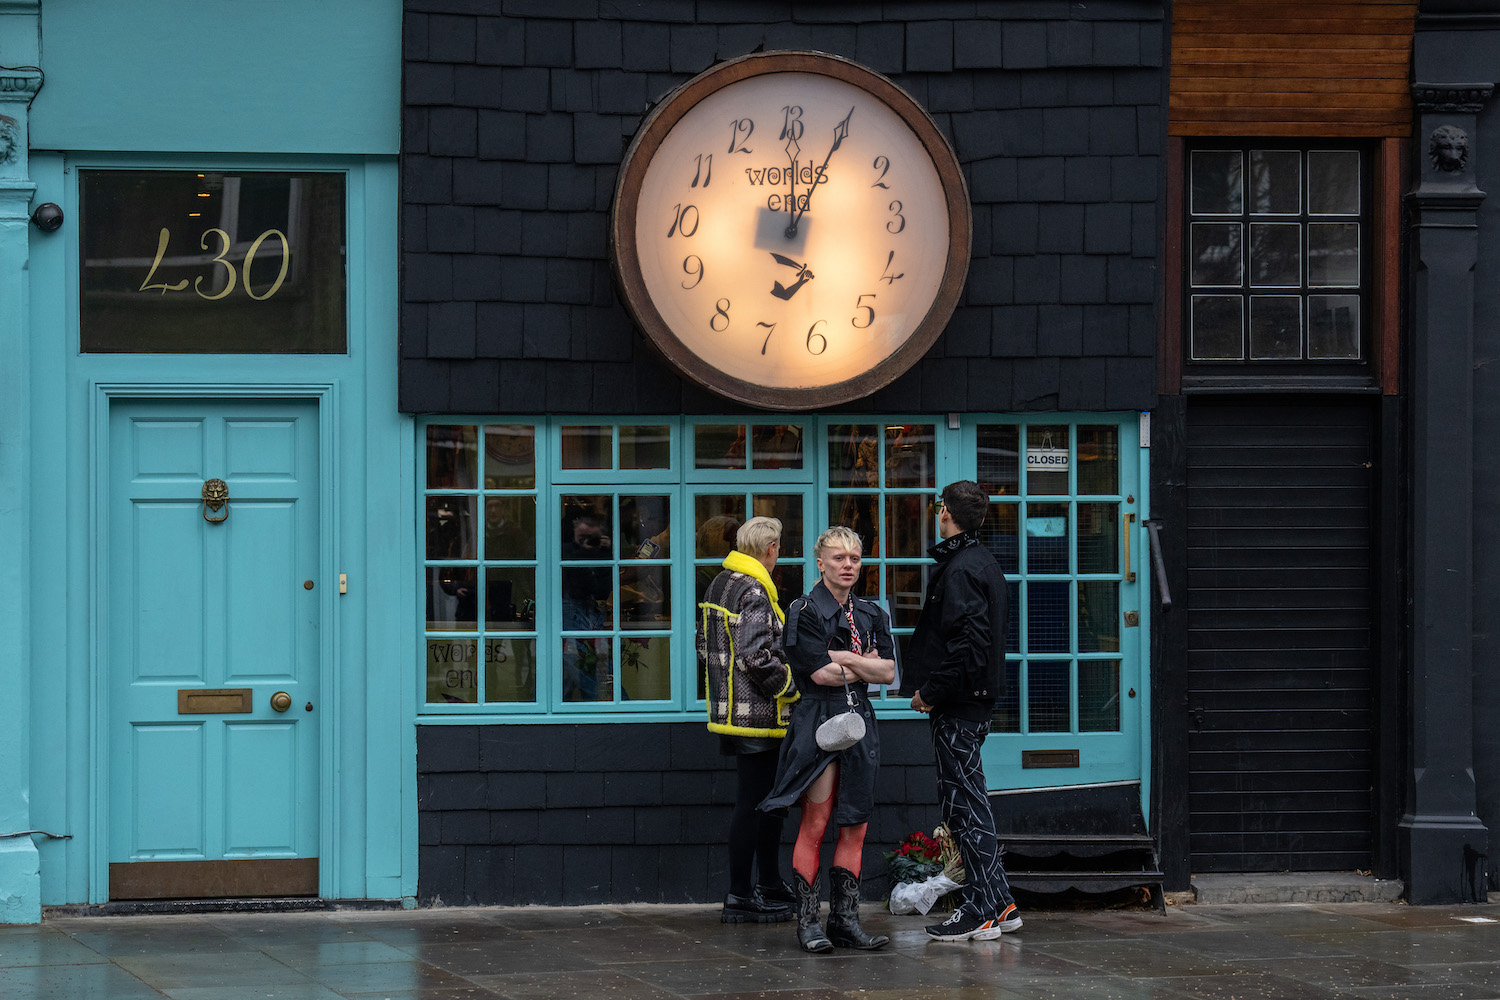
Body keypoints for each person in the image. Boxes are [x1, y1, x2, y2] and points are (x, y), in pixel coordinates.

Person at [761, 526, 895, 953]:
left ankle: (845, 922)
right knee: (815, 824)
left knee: (855, 824)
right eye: (839, 558)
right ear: (820, 562)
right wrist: (864, 662)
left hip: (859, 721)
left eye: (855, 558)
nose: (848, 565)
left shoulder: (872, 613)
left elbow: (890, 673)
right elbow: (817, 674)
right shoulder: (803, 609)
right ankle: (808, 923)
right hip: (819, 721)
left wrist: (844, 659)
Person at [902, 480, 1021, 942]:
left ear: (945, 513)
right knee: (971, 802)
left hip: (958, 705)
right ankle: (1000, 901)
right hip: (974, 702)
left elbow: (969, 644)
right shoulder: (982, 562)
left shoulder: (961, 569)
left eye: (938, 507)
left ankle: (979, 910)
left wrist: (930, 692)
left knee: (965, 808)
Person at [698, 516, 798, 923]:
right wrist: (790, 688)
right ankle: (741, 892)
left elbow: (705, 647)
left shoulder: (721, 583)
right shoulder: (755, 590)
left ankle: (768, 883)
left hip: (730, 712)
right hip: (759, 717)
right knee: (758, 804)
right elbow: (756, 656)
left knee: (760, 803)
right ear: (771, 548)